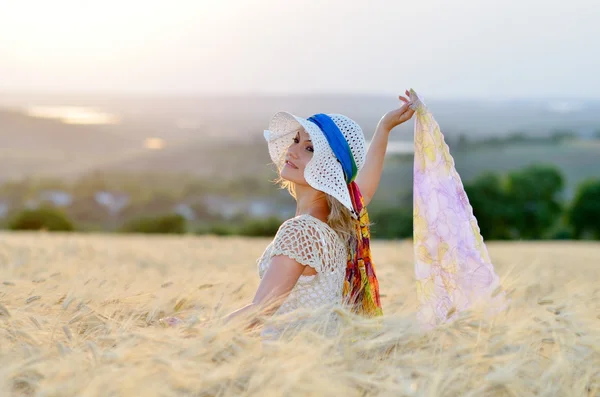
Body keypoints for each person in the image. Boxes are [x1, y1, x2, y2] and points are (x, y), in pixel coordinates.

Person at [218, 90, 416, 338]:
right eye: (296, 141)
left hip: (288, 360)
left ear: (329, 168)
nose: (292, 151)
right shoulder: (342, 220)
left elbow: (261, 310)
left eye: (310, 148)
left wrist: (194, 332)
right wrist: (384, 128)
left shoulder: (302, 230)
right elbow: (362, 184)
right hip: (314, 359)